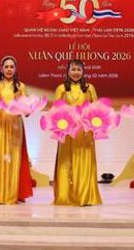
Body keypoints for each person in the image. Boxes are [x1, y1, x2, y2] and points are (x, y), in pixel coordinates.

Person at [0, 56, 33, 204]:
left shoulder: (21, 86)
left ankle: (11, 194)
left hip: (15, 125)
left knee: (14, 158)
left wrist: (28, 111)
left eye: (11, 67)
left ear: (15, 69)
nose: (9, 69)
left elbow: (26, 105)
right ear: (1, 69)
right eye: (6, 67)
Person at [52, 60, 102, 206]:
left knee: (84, 161)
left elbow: (96, 109)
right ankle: (65, 196)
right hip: (67, 130)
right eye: (73, 69)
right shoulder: (61, 88)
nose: (76, 72)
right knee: (66, 161)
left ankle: (85, 196)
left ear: (83, 72)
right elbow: (55, 110)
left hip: (85, 131)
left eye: (78, 70)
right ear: (68, 71)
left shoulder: (89, 88)